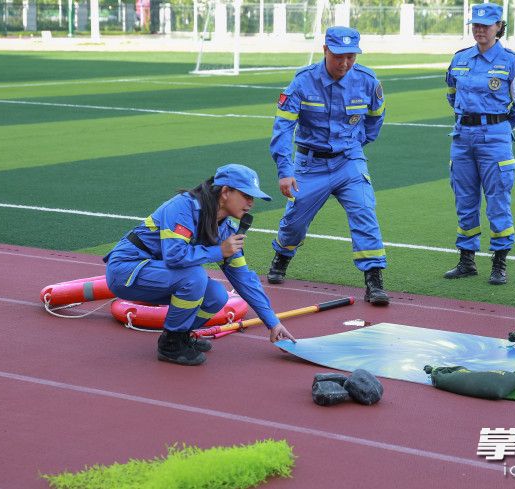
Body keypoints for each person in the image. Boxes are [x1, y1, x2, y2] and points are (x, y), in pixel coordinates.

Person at [104, 164, 297, 366]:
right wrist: (219, 251)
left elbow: (244, 278)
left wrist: (273, 323)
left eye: (253, 198)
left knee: (217, 295)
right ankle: (171, 345)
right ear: (225, 192)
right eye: (246, 195)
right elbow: (174, 256)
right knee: (194, 276)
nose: (251, 203)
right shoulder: (182, 208)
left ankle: (180, 334)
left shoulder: (226, 229)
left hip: (156, 273)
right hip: (125, 271)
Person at [268, 26, 390, 306]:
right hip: (310, 165)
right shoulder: (302, 82)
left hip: (349, 161)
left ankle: (374, 279)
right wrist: (285, 171)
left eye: (351, 56)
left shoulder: (368, 81)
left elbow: (375, 118)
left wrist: (356, 144)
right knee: (295, 222)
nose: (345, 63)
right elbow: (283, 128)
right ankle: (283, 255)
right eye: (338, 56)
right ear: (325, 50)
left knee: (364, 211)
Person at [443, 3, 515, 285]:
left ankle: (499, 263)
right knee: (464, 200)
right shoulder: (459, 59)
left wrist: (498, 125)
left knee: (498, 200)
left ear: (499, 26)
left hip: (495, 138)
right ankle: (466, 260)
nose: (480, 29)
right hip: (462, 137)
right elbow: (451, 94)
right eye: (476, 25)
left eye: (486, 24)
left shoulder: (511, 61)